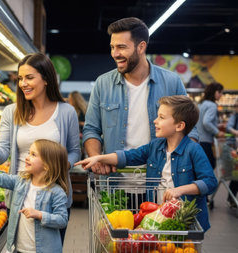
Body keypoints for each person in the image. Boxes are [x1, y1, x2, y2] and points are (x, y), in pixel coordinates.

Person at [0, 52, 80, 243]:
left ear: (46, 79)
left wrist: (56, 169)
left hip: (54, 195)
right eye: (20, 78)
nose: (23, 83)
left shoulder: (66, 111)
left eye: (29, 77)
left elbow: (75, 150)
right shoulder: (12, 112)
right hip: (19, 193)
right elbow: (1, 157)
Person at [77, 95, 218, 231]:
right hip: (157, 216)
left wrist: (180, 190)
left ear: (179, 125)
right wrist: (99, 158)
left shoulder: (193, 150)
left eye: (161, 117)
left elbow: (210, 181)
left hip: (185, 223)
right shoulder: (155, 146)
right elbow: (129, 156)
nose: (155, 121)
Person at [82, 17, 197, 176]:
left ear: (141, 47)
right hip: (115, 179)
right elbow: (91, 130)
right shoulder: (103, 84)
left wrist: (182, 166)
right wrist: (96, 157)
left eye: (121, 47)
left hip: (161, 180)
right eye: (112, 47)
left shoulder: (171, 82)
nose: (115, 54)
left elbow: (191, 130)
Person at [0, 139, 69, 253]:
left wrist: (40, 215)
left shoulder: (56, 192)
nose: (27, 157)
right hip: (19, 249)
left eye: (33, 155)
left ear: (47, 166)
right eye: (29, 153)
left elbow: (62, 219)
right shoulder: (20, 181)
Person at [195, 82, 225, 170]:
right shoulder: (212, 105)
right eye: (220, 92)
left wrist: (217, 125)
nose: (221, 95)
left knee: (200, 166)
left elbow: (201, 121)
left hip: (197, 139)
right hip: (205, 141)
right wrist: (217, 132)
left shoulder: (201, 104)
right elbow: (206, 122)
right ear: (215, 92)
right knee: (210, 165)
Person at [68, 91, 88, 159]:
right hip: (81, 135)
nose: (69, 101)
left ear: (74, 100)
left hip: (81, 134)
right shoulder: (82, 109)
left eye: (70, 99)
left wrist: (78, 123)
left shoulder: (81, 110)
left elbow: (87, 123)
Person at [226, 105, 238, 208]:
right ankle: (231, 198)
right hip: (234, 148)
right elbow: (228, 127)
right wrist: (236, 133)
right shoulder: (234, 117)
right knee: (236, 175)